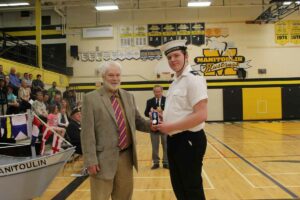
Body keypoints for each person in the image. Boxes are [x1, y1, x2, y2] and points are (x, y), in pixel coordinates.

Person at [81, 61, 154, 200]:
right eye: (111, 75)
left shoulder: (128, 96)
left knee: (124, 197)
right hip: (102, 161)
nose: (115, 79)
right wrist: (90, 161)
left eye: (117, 75)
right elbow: (86, 134)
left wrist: (155, 125)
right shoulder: (90, 99)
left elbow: (138, 122)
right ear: (103, 76)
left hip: (126, 158)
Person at [157, 40, 208, 200]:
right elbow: (181, 111)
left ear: (186, 56)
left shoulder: (194, 79)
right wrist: (163, 117)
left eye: (176, 55)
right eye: (169, 57)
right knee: (179, 187)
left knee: (191, 188)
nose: (173, 60)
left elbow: (201, 115)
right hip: (175, 140)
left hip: (189, 140)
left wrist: (170, 126)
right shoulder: (176, 81)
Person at [144, 85, 168, 169]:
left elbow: (171, 111)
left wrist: (163, 112)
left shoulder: (167, 100)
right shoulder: (149, 101)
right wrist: (150, 112)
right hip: (154, 125)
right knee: (155, 145)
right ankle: (156, 163)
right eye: (155, 92)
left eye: (159, 91)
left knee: (165, 144)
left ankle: (166, 162)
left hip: (165, 125)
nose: (157, 93)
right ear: (153, 92)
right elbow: (145, 113)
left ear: (162, 91)